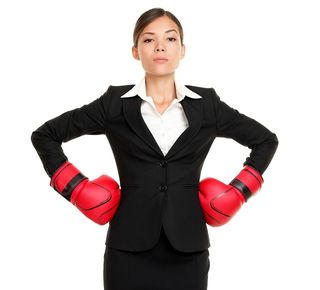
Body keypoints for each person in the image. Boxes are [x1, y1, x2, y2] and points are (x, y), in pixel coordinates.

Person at [31, 7, 278, 290]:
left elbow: (265, 140)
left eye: (170, 39)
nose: (160, 46)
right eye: (149, 40)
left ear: (182, 49)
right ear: (136, 51)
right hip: (127, 248)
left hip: (188, 247)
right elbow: (45, 135)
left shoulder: (207, 105)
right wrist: (75, 188)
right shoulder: (114, 103)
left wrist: (239, 191)